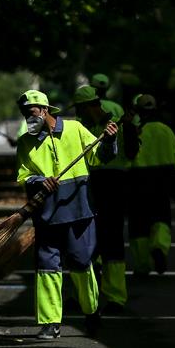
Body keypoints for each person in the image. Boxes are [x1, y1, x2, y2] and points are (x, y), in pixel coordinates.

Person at [15, 89, 118, 339]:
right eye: (24, 115)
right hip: (47, 216)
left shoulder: (74, 129)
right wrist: (40, 181)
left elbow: (99, 158)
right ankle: (51, 323)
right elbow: (23, 176)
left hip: (79, 213)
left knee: (82, 264)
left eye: (31, 113)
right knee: (47, 267)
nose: (28, 119)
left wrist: (109, 140)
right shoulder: (25, 141)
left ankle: (91, 312)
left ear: (45, 110)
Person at [71, 85, 133, 314]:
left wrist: (122, 134)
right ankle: (87, 296)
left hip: (115, 184)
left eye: (79, 108)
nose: (77, 113)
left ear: (89, 106)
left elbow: (132, 152)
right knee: (85, 238)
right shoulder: (82, 127)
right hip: (88, 184)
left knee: (113, 239)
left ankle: (116, 296)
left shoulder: (116, 124)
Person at [128, 93, 175, 276]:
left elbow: (128, 158)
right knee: (161, 218)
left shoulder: (137, 131)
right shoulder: (167, 131)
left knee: (139, 225)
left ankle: (143, 264)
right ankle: (159, 247)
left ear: (139, 111)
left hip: (139, 181)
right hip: (163, 180)